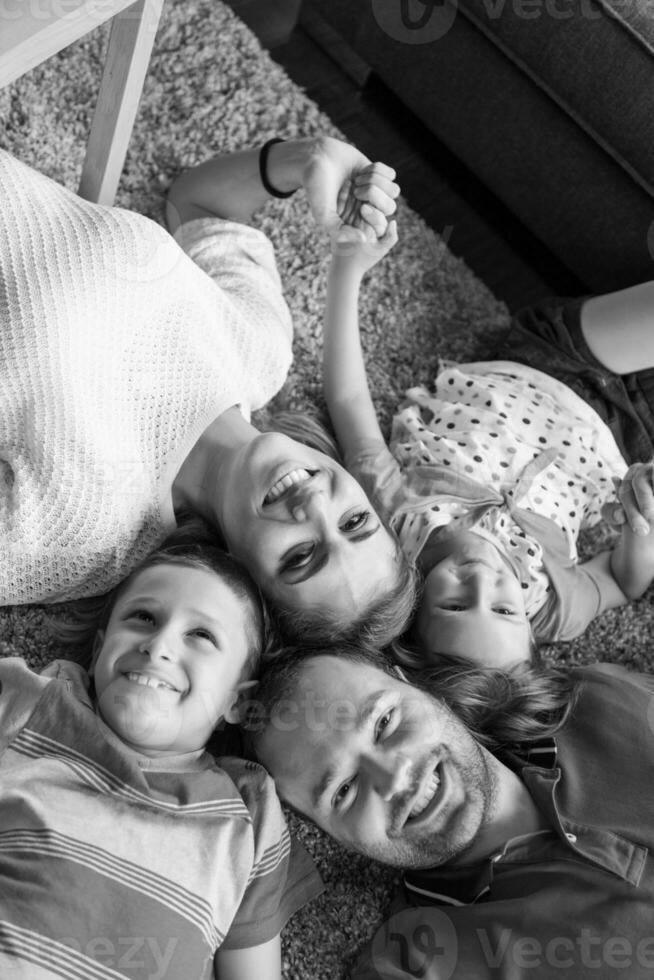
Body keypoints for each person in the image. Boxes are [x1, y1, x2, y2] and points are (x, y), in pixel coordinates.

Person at [0, 135, 416, 647]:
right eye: (355, 520)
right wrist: (305, 159)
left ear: (241, 580)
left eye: (301, 556)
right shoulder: (261, 349)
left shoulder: (90, 534)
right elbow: (197, 204)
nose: (314, 506)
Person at [316, 212, 654, 666]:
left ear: (412, 613)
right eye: (503, 609)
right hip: (635, 437)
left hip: (555, 360)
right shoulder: (550, 607)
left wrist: (346, 269)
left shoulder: (399, 524)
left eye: (453, 605)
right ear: (530, 634)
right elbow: (622, 579)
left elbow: (347, 398)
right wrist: (641, 523)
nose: (480, 582)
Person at [0, 533, 322, 980]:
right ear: (98, 653)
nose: (159, 644)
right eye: (143, 617)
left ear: (236, 701)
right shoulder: (39, 700)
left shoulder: (247, 811)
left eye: (201, 635)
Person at [251, 645, 654, 980]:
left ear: (413, 685)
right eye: (344, 790)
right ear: (331, 836)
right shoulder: (412, 961)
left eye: (385, 722)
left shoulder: (598, 698)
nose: (392, 779)